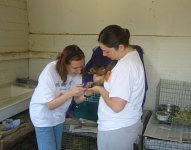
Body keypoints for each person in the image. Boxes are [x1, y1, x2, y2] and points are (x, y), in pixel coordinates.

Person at [88, 25, 145, 150]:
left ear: (120, 47)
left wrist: (100, 90)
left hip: (117, 127)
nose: (103, 54)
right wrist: (103, 81)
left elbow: (117, 106)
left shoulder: (125, 67)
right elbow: (122, 85)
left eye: (107, 51)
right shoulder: (132, 55)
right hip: (125, 124)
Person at [29, 45, 86, 150]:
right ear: (65, 64)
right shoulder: (50, 71)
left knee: (56, 147)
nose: (79, 71)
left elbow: (77, 100)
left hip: (58, 115)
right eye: (75, 68)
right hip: (43, 115)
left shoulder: (78, 74)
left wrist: (86, 93)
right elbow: (50, 105)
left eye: (81, 66)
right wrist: (70, 93)